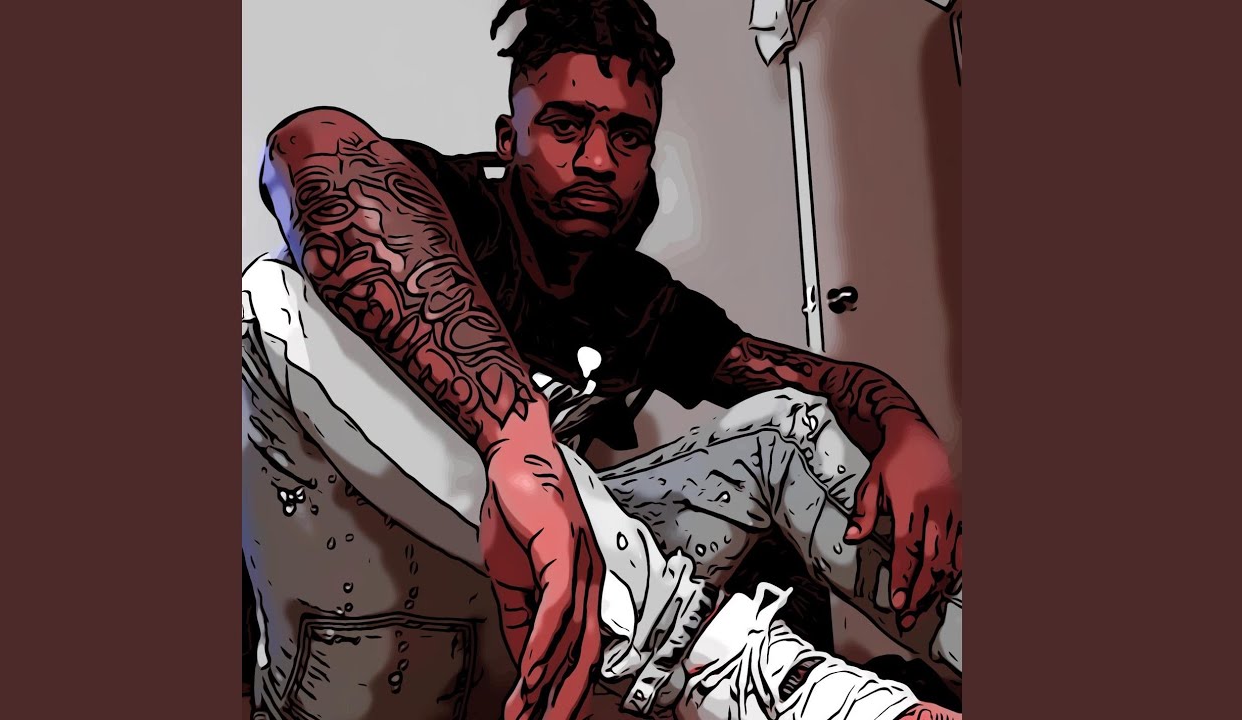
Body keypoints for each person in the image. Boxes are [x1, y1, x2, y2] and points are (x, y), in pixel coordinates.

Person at [244, 1, 962, 718]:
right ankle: (743, 671)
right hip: (367, 647)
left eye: (628, 136)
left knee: (782, 429)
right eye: (565, 125)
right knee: (272, 293)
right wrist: (516, 440)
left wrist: (904, 428)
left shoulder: (635, 297)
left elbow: (817, 381)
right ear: (509, 138)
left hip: (552, 630)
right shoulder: (447, 206)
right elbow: (313, 149)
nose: (597, 161)